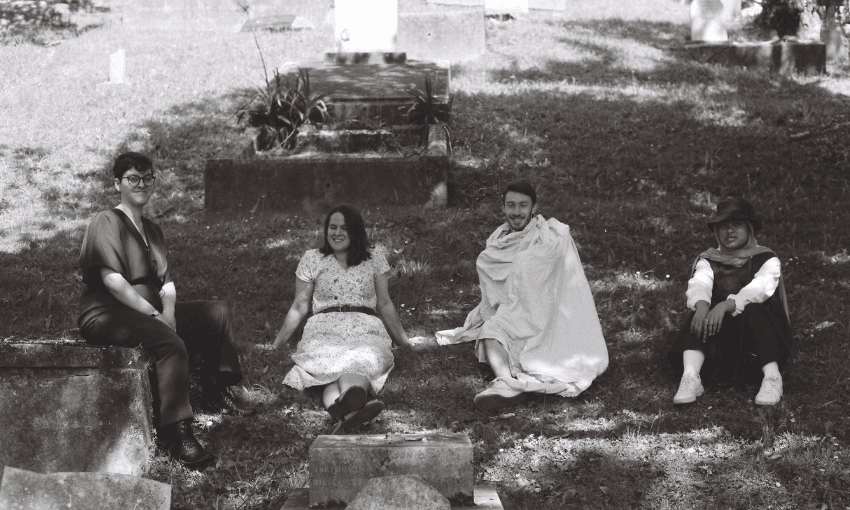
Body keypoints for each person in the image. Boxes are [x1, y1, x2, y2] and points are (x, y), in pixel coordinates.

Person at [77, 152, 255, 468]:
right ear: (118, 184)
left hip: (151, 313)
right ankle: (178, 433)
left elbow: (166, 284)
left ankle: (218, 390)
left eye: (147, 178)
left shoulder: (153, 230)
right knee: (170, 344)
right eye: (133, 178)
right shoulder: (106, 221)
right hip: (107, 313)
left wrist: (168, 311)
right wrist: (154, 315)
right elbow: (112, 280)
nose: (141, 184)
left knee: (216, 312)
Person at [436, 181, 609, 411]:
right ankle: (507, 384)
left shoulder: (550, 234)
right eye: (511, 205)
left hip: (546, 310)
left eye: (523, 205)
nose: (516, 212)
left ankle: (509, 384)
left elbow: (554, 274)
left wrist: (523, 263)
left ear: (534, 208)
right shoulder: (498, 239)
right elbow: (493, 279)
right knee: (490, 330)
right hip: (511, 309)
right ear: (503, 208)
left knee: (528, 337)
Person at [269, 204, 416, 431]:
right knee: (333, 366)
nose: (337, 233)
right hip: (324, 328)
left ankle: (343, 413)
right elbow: (300, 305)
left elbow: (384, 303)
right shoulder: (312, 259)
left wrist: (403, 341)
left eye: (344, 228)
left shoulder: (374, 257)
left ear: (356, 231)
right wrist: (277, 345)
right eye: (333, 227)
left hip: (365, 326)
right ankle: (353, 406)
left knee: (360, 360)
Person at [669, 197, 791, 406]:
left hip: (757, 339)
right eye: (723, 226)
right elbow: (701, 283)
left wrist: (725, 305)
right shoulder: (709, 259)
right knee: (698, 312)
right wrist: (702, 306)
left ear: (749, 228)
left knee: (753, 309)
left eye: (737, 225)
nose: (729, 231)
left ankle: (772, 377)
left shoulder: (767, 259)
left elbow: (759, 289)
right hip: (722, 341)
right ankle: (691, 376)